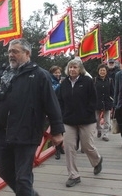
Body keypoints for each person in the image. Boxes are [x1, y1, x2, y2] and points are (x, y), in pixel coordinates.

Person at [0, 38, 65, 196]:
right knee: (4, 171)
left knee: (23, 178)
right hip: (4, 132)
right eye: (9, 52)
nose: (11, 55)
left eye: (15, 52)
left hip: (27, 132)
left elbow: (52, 104)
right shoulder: (6, 74)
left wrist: (57, 131)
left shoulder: (40, 75)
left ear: (27, 53)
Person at [58, 58, 103, 187]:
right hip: (68, 121)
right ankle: (73, 175)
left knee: (86, 146)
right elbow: (59, 100)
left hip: (86, 120)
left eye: (75, 67)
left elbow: (94, 100)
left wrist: (87, 112)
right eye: (70, 67)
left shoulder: (87, 81)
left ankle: (97, 161)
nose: (72, 70)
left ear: (80, 69)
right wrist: (62, 114)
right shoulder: (64, 83)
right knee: (69, 147)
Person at [94, 63, 114, 141]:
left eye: (104, 70)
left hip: (107, 102)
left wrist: (111, 100)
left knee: (107, 120)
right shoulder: (94, 80)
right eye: (101, 70)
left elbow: (113, 91)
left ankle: (105, 134)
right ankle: (99, 130)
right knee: (96, 118)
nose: (102, 72)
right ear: (98, 71)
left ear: (106, 71)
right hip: (97, 102)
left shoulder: (109, 80)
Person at [49, 65, 65, 160]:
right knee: (55, 129)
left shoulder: (59, 81)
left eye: (59, 72)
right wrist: (60, 85)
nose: (58, 74)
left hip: (61, 107)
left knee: (61, 128)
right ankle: (57, 150)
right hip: (53, 108)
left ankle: (60, 147)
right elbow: (53, 91)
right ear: (52, 73)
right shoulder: (50, 81)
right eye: (56, 72)